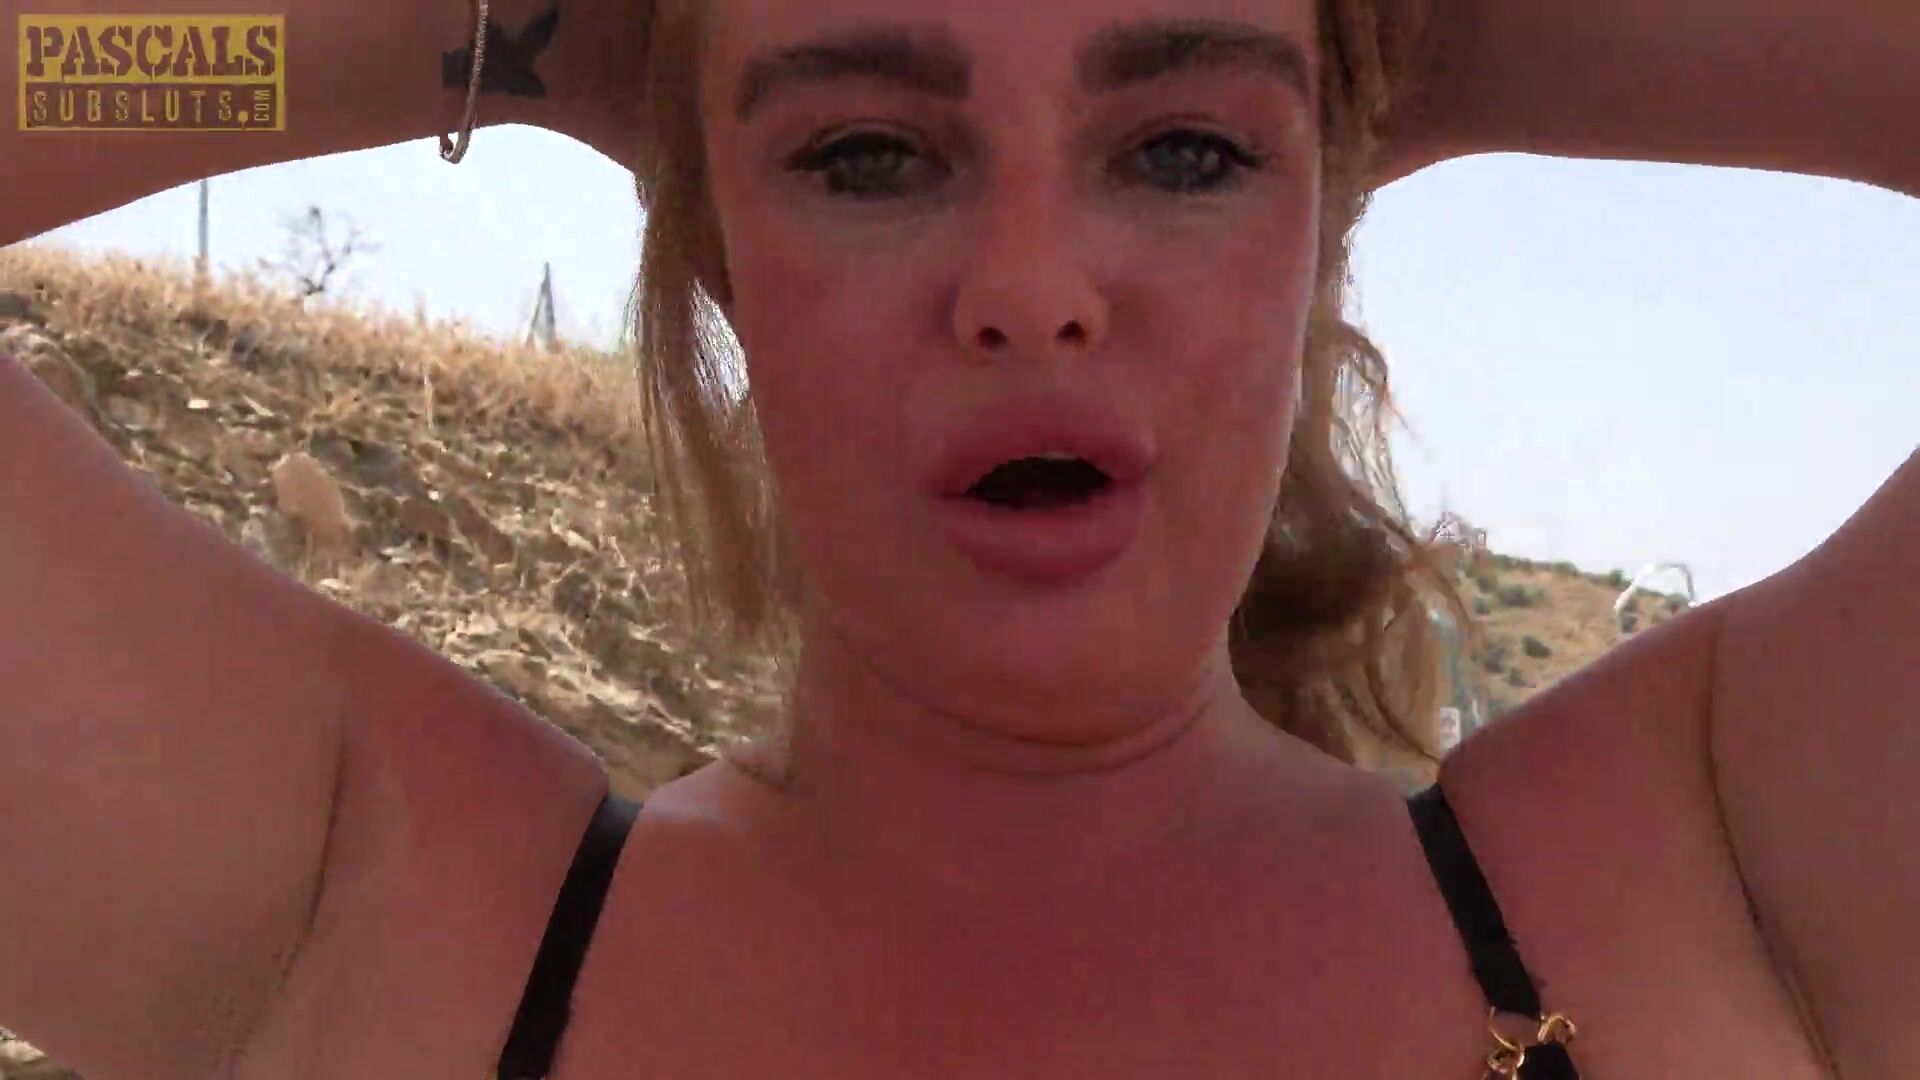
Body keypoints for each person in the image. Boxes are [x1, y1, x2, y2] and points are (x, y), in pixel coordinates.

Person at [2, 0, 1915, 1076]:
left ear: (1319, 223)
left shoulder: (1724, 866)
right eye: (865, 153)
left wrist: (1414, 36)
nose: (1029, 289)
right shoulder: (366, 904)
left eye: (1186, 149)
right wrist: (527, 27)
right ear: (718, 247)